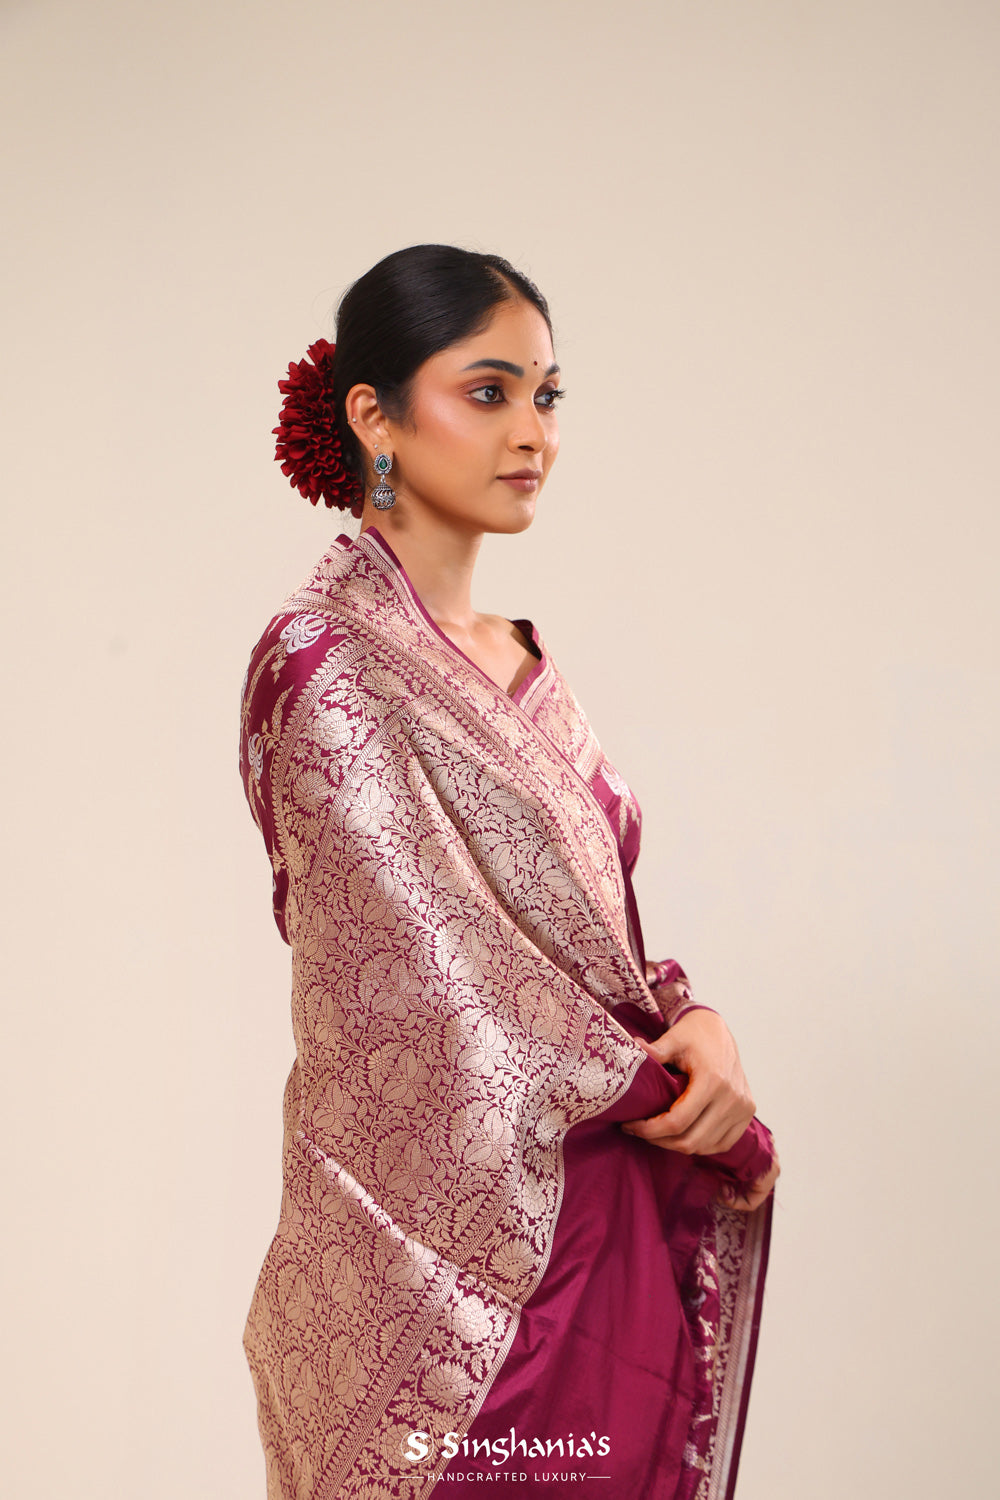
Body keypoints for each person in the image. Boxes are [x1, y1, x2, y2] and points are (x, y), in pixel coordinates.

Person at [239, 244, 779, 1500]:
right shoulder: (321, 659)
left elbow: (598, 945)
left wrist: (695, 1021)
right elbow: (424, 982)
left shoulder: (532, 668)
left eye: (546, 395)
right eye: (487, 392)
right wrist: (643, 1064)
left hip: (605, 1229)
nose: (532, 432)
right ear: (373, 416)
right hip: (437, 1272)